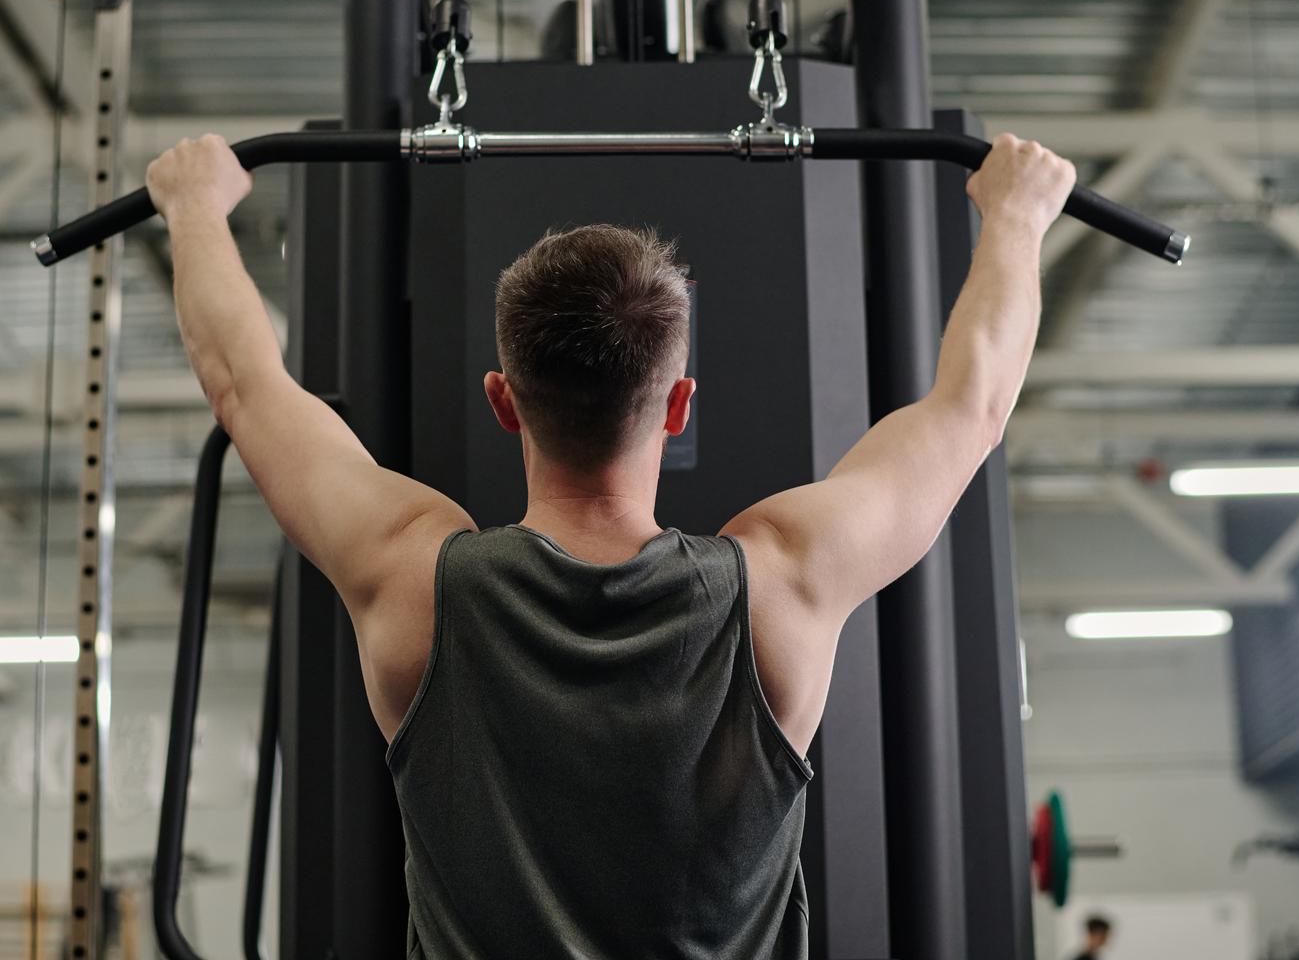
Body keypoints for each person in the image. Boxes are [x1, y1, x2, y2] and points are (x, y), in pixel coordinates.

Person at [146, 132, 1075, 959]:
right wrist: (1017, 217)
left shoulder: (414, 576)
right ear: (678, 407)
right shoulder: (782, 580)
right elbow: (973, 407)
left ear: (502, 399)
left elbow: (246, 387)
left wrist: (194, 207)